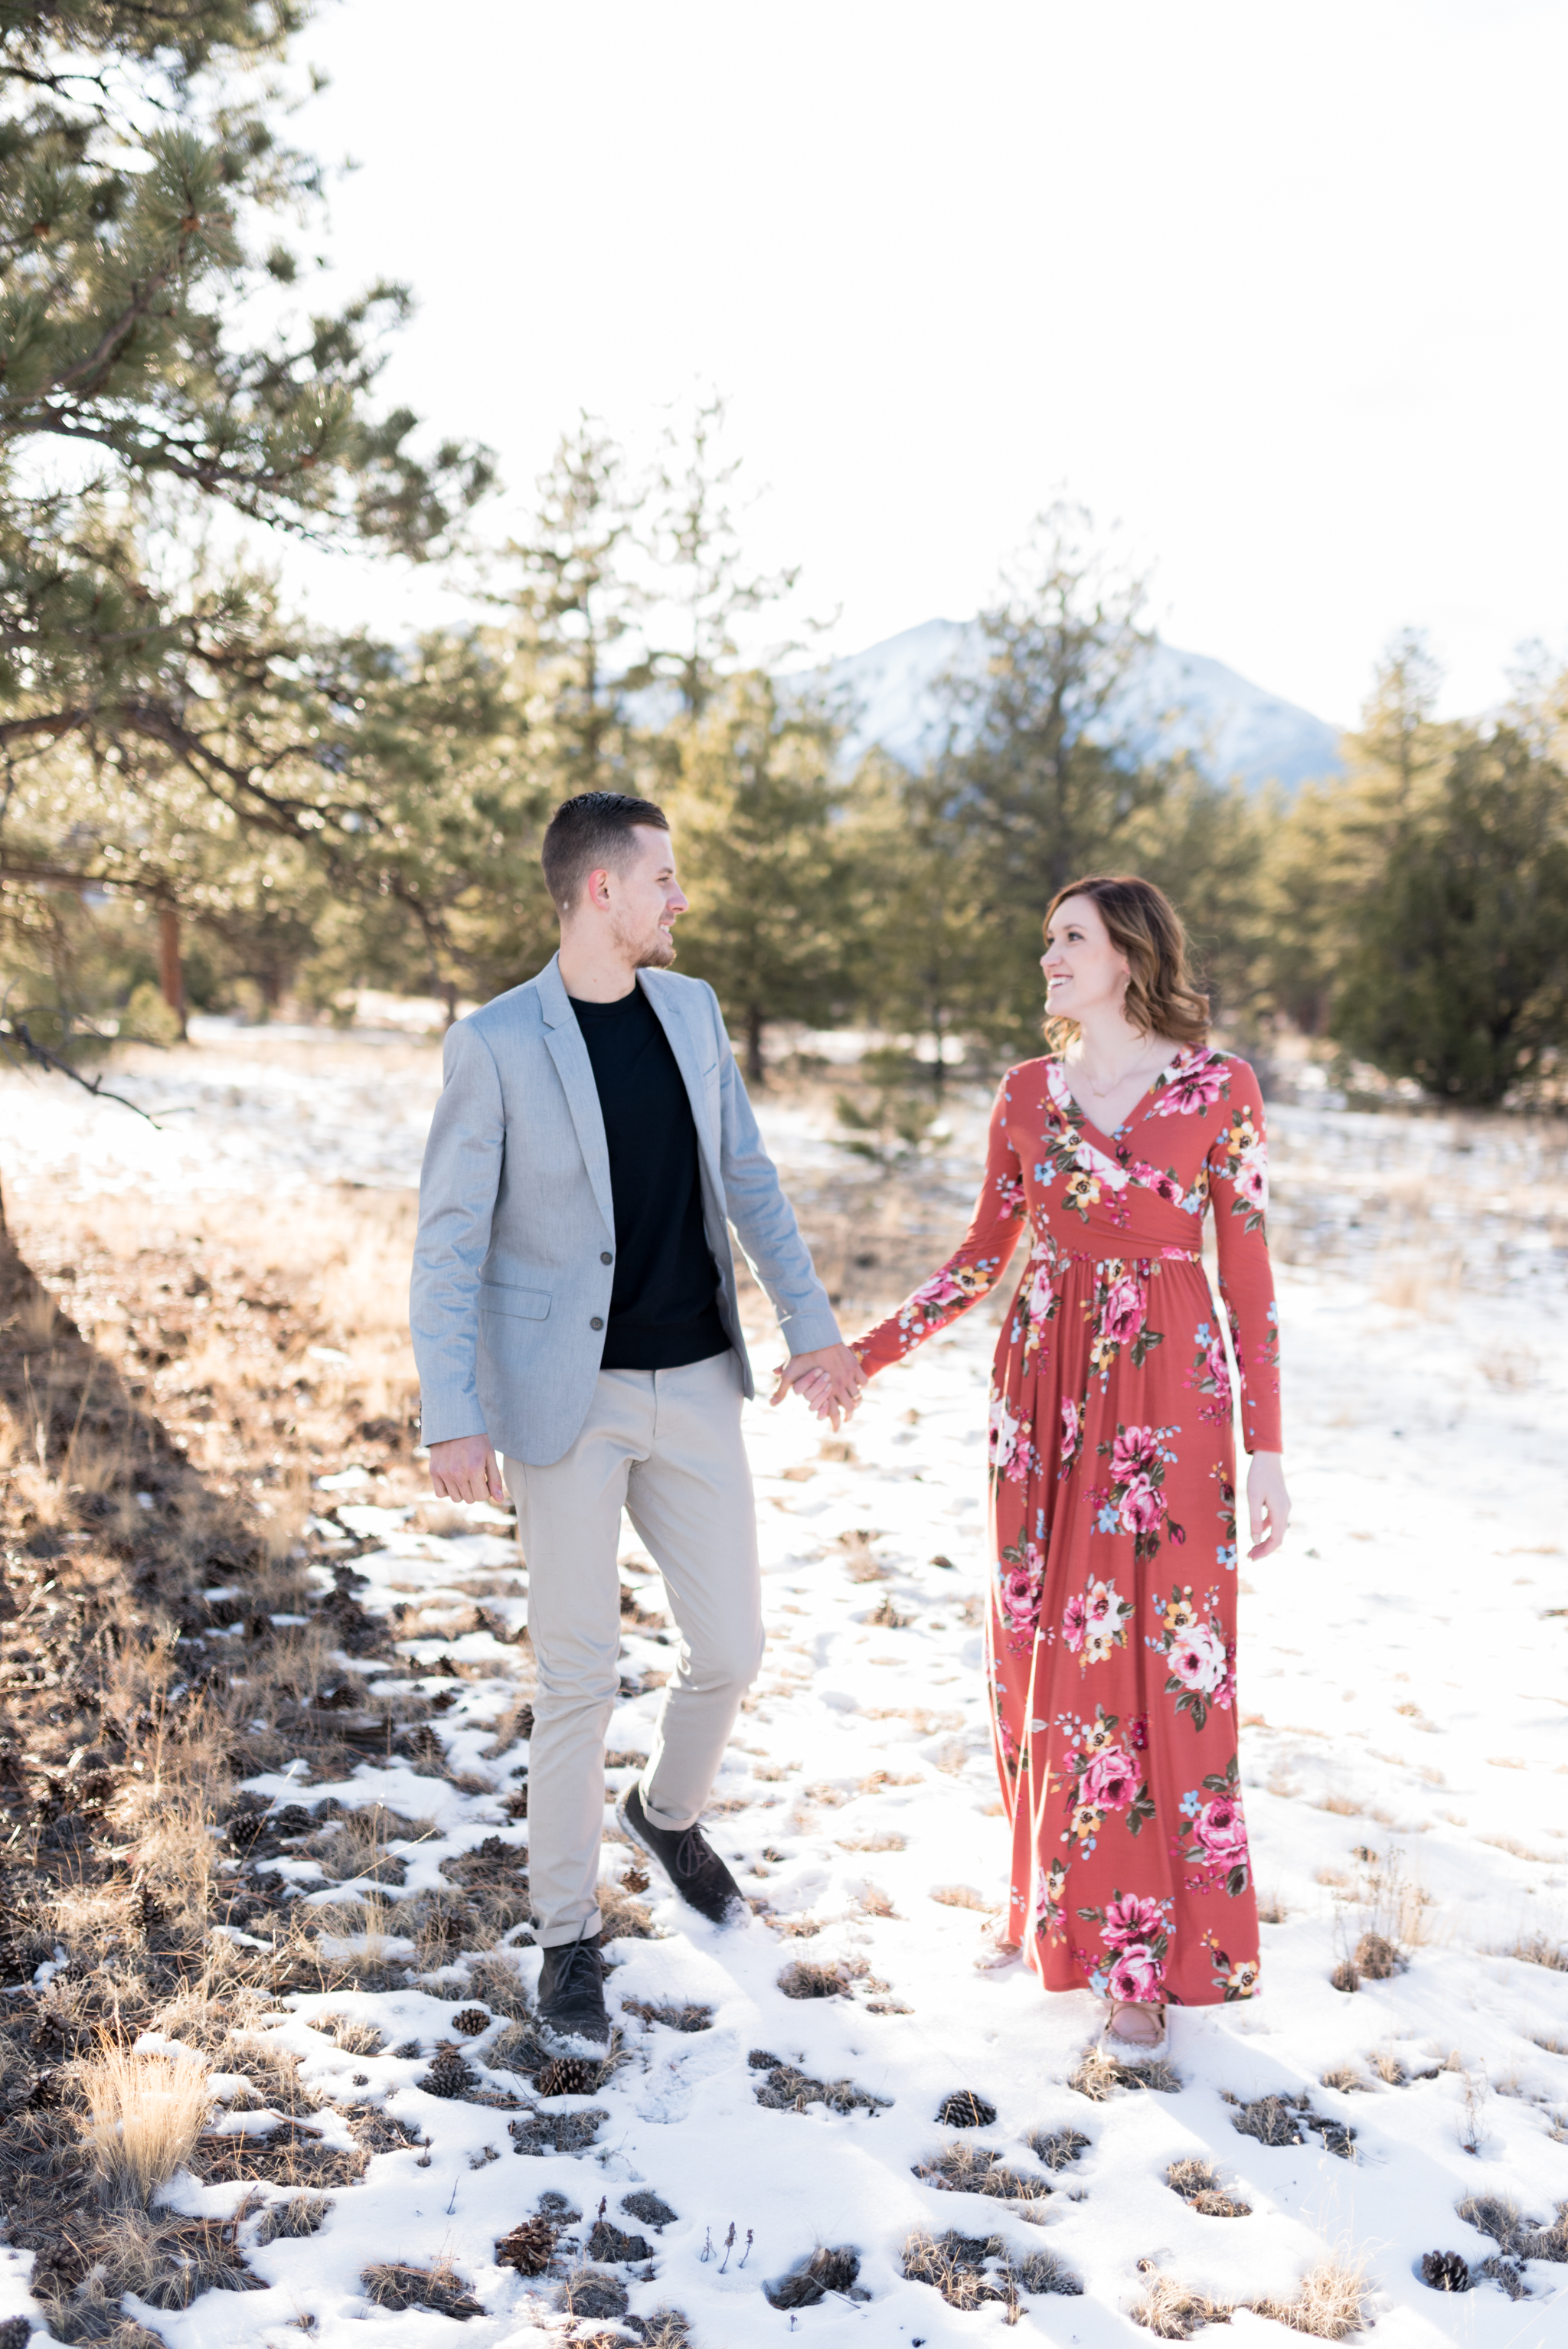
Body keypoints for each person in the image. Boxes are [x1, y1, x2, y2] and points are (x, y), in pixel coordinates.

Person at [409, 790, 863, 2052]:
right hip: (564, 1401)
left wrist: (811, 1327)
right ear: (598, 890)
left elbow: (751, 1182)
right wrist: (454, 1413)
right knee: (577, 1675)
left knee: (731, 1648)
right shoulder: (496, 1044)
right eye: (662, 877)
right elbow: (448, 1243)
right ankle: (566, 1941)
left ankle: (664, 1816)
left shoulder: (693, 1011)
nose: (680, 898)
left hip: (698, 1380)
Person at [844, 875, 1288, 2056]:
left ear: (1129, 955)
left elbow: (1247, 1279)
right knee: (1041, 1651)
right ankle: (1045, 1900)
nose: (1049, 956)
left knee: (1161, 1666)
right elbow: (980, 1257)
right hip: (1041, 1392)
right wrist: (862, 1354)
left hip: (1169, 1404)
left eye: (1071, 939)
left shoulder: (1220, 1087)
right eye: (1048, 939)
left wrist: (1269, 1448)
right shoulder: (1027, 1093)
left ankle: (1142, 1960)